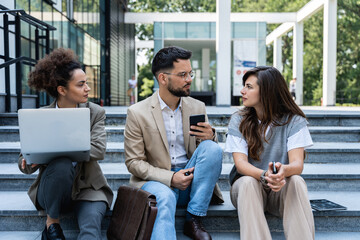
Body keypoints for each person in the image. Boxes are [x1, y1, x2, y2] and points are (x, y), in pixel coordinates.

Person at [124, 46, 223, 240]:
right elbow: (134, 162)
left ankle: (193, 218)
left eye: (190, 73)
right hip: (156, 182)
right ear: (163, 78)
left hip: (191, 184)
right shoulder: (137, 113)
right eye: (183, 75)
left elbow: (206, 153)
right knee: (165, 197)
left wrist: (210, 136)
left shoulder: (197, 106)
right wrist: (171, 178)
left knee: (212, 148)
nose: (189, 79)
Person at [18, 48, 113, 240]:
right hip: (54, 190)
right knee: (60, 164)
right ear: (62, 90)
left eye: (86, 83)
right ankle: (52, 223)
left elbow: (98, 150)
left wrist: (56, 146)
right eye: (81, 85)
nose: (87, 88)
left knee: (91, 230)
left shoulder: (95, 112)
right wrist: (29, 162)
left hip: (88, 188)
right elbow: (25, 161)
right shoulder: (41, 116)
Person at [225, 66, 314, 240]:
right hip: (246, 192)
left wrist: (282, 172)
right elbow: (241, 164)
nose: (242, 91)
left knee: (296, 181)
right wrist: (265, 176)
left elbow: (297, 164)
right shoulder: (238, 120)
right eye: (244, 85)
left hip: (279, 191)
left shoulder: (294, 121)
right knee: (248, 183)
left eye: (249, 87)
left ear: (267, 91)